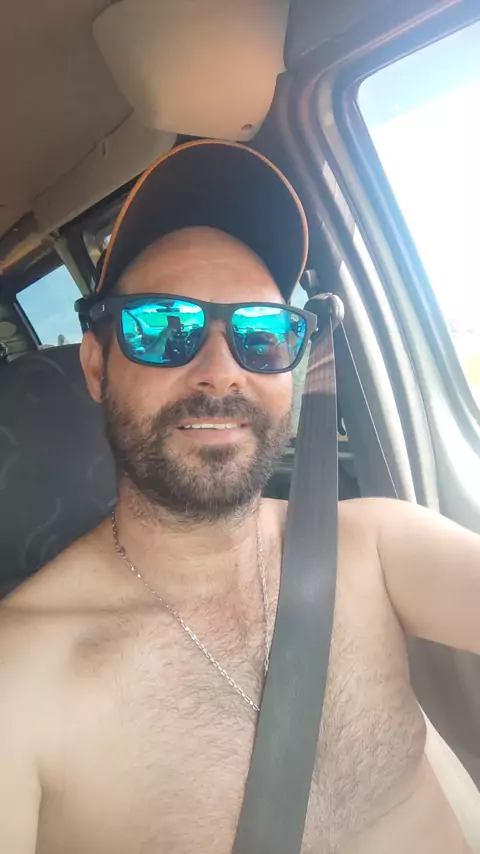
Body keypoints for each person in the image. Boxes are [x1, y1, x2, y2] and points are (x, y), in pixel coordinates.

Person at [0, 139, 479, 854]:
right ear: (97, 366)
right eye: (165, 327)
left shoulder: (377, 544)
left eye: (262, 332)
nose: (221, 372)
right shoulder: (23, 677)